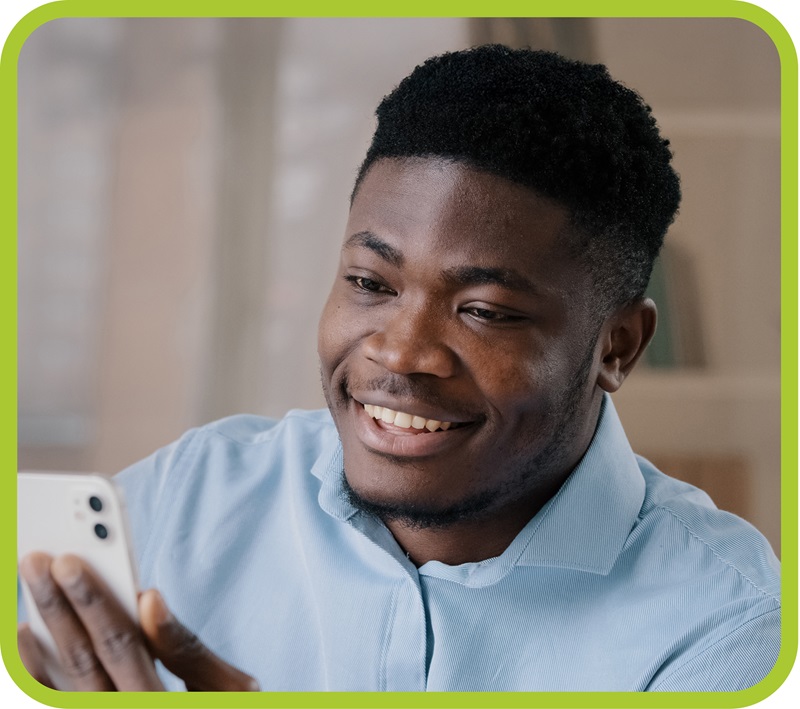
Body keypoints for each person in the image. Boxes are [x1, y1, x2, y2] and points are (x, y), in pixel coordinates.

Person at [18, 45, 780, 692]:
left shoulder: (725, 630)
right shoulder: (187, 500)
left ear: (617, 347)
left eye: (484, 310)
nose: (400, 352)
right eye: (370, 284)